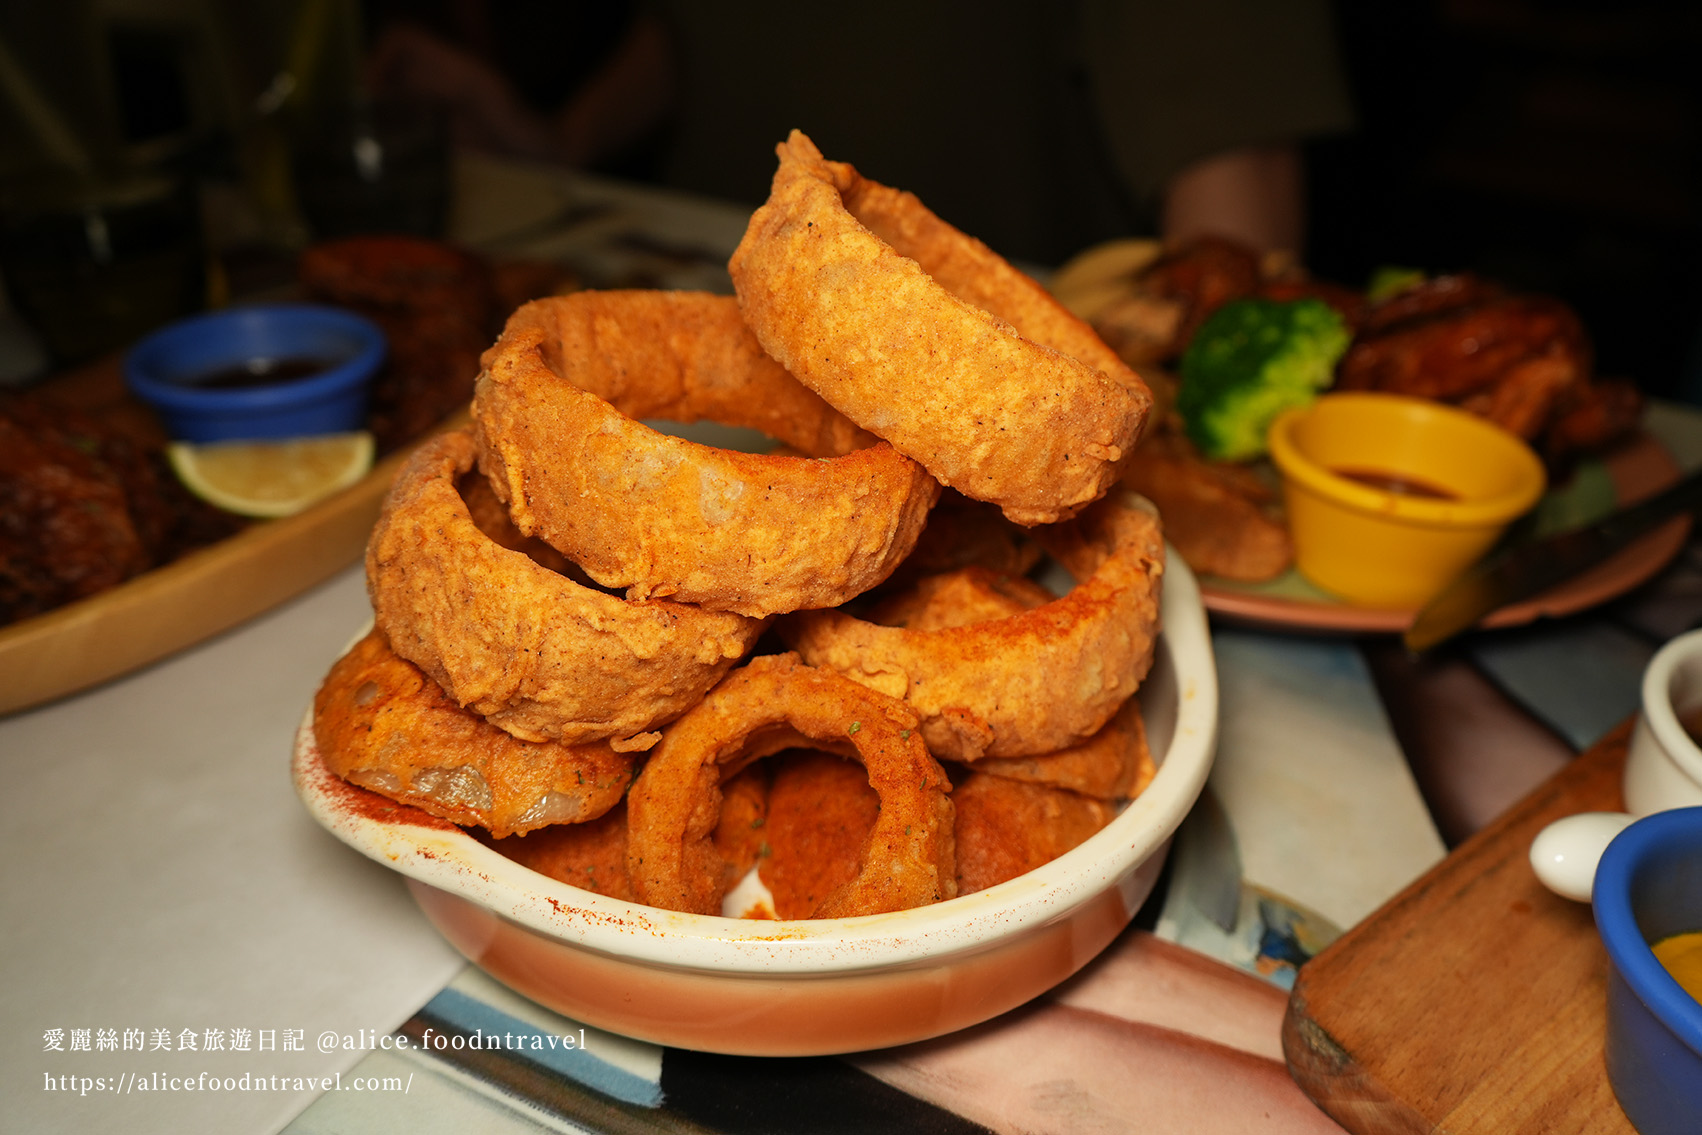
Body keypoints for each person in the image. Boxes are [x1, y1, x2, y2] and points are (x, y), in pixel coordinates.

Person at [366, 0, 1353, 263]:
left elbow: (1239, 164)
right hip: (705, 297)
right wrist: (555, 142)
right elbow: (694, 35)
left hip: (985, 390)